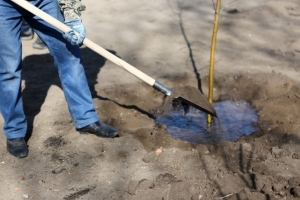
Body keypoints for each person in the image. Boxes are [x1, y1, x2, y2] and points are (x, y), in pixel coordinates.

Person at [0, 0, 118, 158]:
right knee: (9, 70)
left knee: (69, 55)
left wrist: (72, 16)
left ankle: (86, 119)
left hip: (43, 2)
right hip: (4, 6)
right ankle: (14, 132)